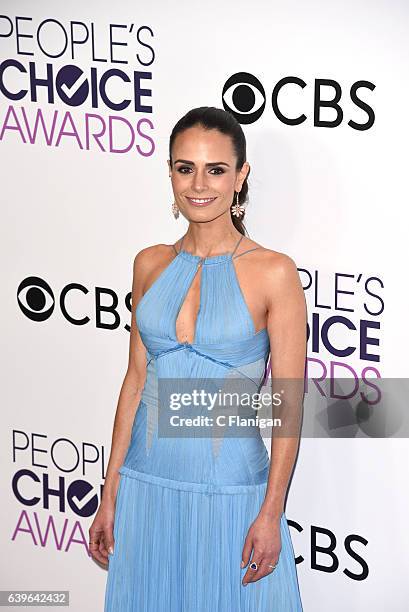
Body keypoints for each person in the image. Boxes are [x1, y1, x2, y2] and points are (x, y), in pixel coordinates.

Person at [89, 106, 306, 611]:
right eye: (185, 168)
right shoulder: (149, 263)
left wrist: (271, 511)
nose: (198, 184)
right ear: (169, 172)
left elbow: (288, 406)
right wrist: (110, 491)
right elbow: (137, 381)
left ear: (241, 176)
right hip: (145, 483)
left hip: (230, 492)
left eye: (216, 169)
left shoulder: (274, 272)